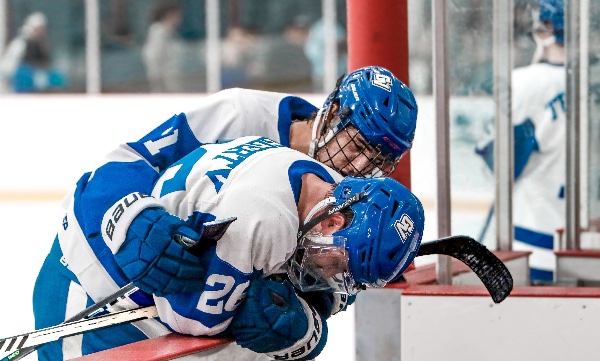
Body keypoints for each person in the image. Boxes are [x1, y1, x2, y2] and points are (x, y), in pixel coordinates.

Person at [34, 135, 425, 360]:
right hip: (93, 293)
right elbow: (194, 322)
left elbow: (328, 295)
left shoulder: (323, 181)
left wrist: (305, 317)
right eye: (336, 263)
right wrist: (294, 324)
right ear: (333, 221)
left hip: (136, 300)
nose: (328, 274)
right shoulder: (264, 219)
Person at [475, 0, 565, 283]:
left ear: (545, 28)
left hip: (533, 245)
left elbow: (497, 164)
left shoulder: (524, 83)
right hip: (586, 244)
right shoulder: (591, 81)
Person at [0, 12, 65, 93]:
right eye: (38, 29)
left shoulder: (43, 44)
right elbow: (8, 66)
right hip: (24, 80)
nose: (41, 31)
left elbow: (47, 64)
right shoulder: (20, 44)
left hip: (39, 78)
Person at [142, 0, 183, 92]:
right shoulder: (158, 32)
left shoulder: (171, 33)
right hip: (163, 86)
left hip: (171, 83)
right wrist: (159, 84)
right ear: (169, 15)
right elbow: (153, 58)